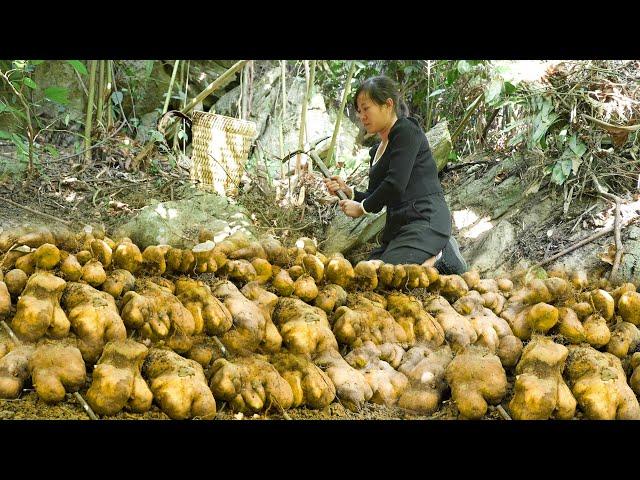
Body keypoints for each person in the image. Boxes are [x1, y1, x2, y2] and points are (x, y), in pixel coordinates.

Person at [324, 75, 467, 274]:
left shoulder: (406, 130)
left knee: (385, 275)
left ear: (388, 105)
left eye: (366, 108)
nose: (361, 116)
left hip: (425, 220)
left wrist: (361, 208)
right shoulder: (376, 151)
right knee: (364, 272)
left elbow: (395, 184)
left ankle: (441, 254)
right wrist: (350, 193)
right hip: (400, 229)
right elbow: (379, 196)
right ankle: (425, 257)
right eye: (359, 111)